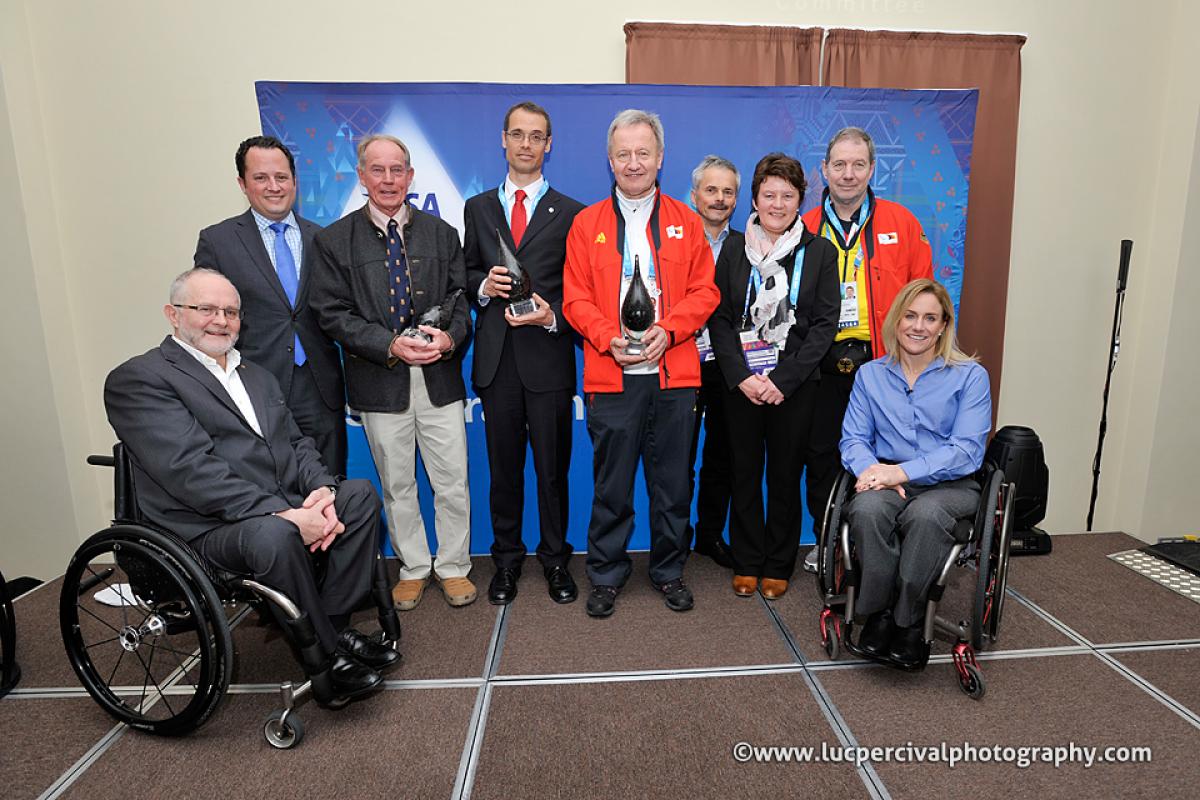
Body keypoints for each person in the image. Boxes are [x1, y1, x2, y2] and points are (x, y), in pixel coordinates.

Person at [104, 268, 397, 700]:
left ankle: (331, 632)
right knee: (275, 535)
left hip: (277, 508)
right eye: (205, 309)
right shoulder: (140, 379)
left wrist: (321, 492)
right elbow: (191, 471)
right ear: (173, 314)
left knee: (358, 498)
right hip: (202, 530)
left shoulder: (257, 375)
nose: (220, 320)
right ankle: (325, 668)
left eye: (231, 312)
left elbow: (297, 443)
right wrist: (288, 515)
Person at [563, 109, 719, 617]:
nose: (634, 163)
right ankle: (606, 575)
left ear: (660, 159)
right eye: (624, 154)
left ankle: (669, 571)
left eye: (643, 153)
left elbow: (705, 291)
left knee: (673, 485)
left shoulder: (686, 221)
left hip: (673, 376)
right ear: (610, 161)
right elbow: (575, 299)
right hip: (612, 379)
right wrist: (608, 338)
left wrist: (669, 331)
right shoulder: (586, 226)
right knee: (612, 487)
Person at [309, 134, 475, 610]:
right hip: (380, 381)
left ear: (410, 175)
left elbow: (459, 300)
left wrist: (449, 338)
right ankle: (415, 566)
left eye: (397, 169)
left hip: (439, 380)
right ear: (361, 176)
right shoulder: (334, 241)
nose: (388, 179)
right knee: (397, 484)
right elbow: (331, 313)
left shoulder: (442, 235)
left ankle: (454, 566)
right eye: (377, 170)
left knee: (452, 481)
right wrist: (389, 344)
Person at [463, 101, 585, 606]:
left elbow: (579, 292)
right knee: (503, 471)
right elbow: (465, 276)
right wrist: (485, 288)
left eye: (537, 136)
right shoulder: (477, 208)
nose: (527, 144)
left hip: (548, 359)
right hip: (496, 364)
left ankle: (556, 561)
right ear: (504, 140)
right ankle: (506, 562)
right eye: (518, 134)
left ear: (549, 144)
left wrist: (551, 315)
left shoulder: (573, 212)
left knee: (553, 473)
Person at [800, 126, 934, 574]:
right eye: (839, 164)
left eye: (858, 165)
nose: (848, 174)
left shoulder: (902, 223)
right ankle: (825, 540)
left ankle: (876, 543)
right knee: (821, 455)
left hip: (883, 364)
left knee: (883, 453)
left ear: (872, 169)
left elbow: (923, 294)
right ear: (824, 170)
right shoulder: (804, 227)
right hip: (820, 363)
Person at [840, 278, 991, 668]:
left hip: (950, 484)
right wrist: (871, 472)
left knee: (925, 516)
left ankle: (909, 621)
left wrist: (900, 474)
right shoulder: (870, 375)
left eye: (929, 318)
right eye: (910, 316)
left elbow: (966, 451)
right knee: (868, 510)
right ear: (896, 320)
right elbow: (853, 439)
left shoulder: (970, 376)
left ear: (944, 325)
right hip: (885, 478)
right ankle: (878, 613)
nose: (918, 326)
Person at [708, 153, 838, 600]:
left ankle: (778, 563)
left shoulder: (819, 252)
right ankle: (747, 560)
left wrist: (783, 380)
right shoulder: (732, 248)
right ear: (756, 198)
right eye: (769, 195)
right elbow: (720, 319)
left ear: (801, 199)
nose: (778, 204)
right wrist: (741, 376)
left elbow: (824, 326)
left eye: (787, 195)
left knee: (784, 475)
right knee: (744, 472)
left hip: (794, 386)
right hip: (741, 383)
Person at [195, 136, 347, 475]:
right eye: (261, 178)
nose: (273, 186)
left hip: (320, 391)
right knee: (269, 495)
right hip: (252, 389)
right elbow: (205, 320)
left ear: (294, 181)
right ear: (242, 184)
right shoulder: (218, 241)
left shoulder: (324, 238)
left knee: (330, 490)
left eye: (281, 177)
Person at [687, 155, 741, 569]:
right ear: (694, 195)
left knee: (723, 455)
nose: (719, 199)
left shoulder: (747, 248)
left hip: (728, 367)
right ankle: (675, 539)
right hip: (681, 361)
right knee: (677, 458)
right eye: (711, 190)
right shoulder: (674, 241)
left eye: (728, 192)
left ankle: (709, 534)